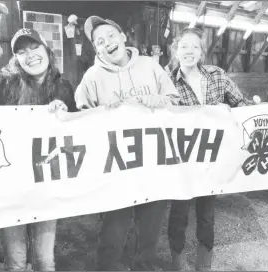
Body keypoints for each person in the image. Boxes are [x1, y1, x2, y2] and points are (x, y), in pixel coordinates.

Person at [75, 16, 180, 270]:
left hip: (154, 165)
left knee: (149, 235)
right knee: (113, 234)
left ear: (123, 37)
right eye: (99, 42)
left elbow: (175, 101)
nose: (107, 43)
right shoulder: (92, 77)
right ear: (96, 50)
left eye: (111, 35)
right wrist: (101, 112)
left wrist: (161, 100)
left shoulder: (150, 65)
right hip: (116, 171)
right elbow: (80, 120)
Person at [0, 28, 77, 271]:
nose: (30, 55)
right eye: (21, 52)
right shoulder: (5, 83)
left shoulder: (65, 87)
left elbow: (79, 131)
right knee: (16, 261)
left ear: (47, 50)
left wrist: (66, 112)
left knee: (44, 260)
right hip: (12, 187)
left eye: (35, 48)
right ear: (16, 59)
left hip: (46, 186)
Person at [166, 27, 258, 271]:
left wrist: (264, 110)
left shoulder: (216, 75)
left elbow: (241, 105)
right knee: (179, 213)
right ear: (176, 50)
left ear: (201, 51)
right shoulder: (166, 80)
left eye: (194, 46)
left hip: (211, 159)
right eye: (183, 46)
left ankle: (204, 259)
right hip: (181, 161)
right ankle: (177, 258)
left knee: (206, 212)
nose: (189, 51)